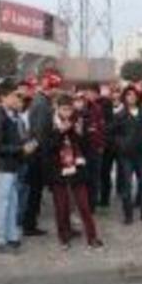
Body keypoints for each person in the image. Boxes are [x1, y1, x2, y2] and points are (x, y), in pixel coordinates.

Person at [0, 79, 36, 254]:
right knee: (3, 203)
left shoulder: (12, 115)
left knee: (12, 202)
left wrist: (27, 145)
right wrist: (20, 149)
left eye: (17, 95)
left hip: (12, 165)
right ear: (3, 97)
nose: (17, 99)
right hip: (3, 167)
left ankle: (11, 235)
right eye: (14, 95)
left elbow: (14, 140)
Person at [50, 94, 104, 250]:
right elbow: (47, 147)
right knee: (61, 206)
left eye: (69, 110)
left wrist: (78, 132)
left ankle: (92, 237)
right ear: (57, 108)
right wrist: (60, 132)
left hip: (77, 167)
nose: (67, 113)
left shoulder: (78, 121)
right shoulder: (50, 122)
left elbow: (85, 145)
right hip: (58, 169)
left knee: (84, 205)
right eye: (64, 109)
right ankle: (63, 237)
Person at [112, 86, 142, 225]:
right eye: (128, 95)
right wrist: (121, 144)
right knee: (127, 185)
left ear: (137, 97)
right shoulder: (119, 115)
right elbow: (112, 133)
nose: (131, 97)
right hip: (126, 155)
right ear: (124, 98)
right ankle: (128, 215)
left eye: (133, 95)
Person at [22, 76, 56, 237]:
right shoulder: (42, 104)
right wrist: (46, 155)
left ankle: (29, 222)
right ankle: (29, 224)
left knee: (33, 190)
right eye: (55, 88)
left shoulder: (39, 101)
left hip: (35, 151)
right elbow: (41, 133)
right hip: (38, 154)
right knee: (34, 191)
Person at [81, 85, 107, 212]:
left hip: (95, 148)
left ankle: (92, 204)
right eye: (88, 92)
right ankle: (83, 203)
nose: (89, 95)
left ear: (97, 95)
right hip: (82, 149)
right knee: (83, 177)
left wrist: (101, 145)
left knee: (94, 177)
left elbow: (102, 129)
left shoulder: (98, 109)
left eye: (92, 93)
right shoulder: (81, 108)